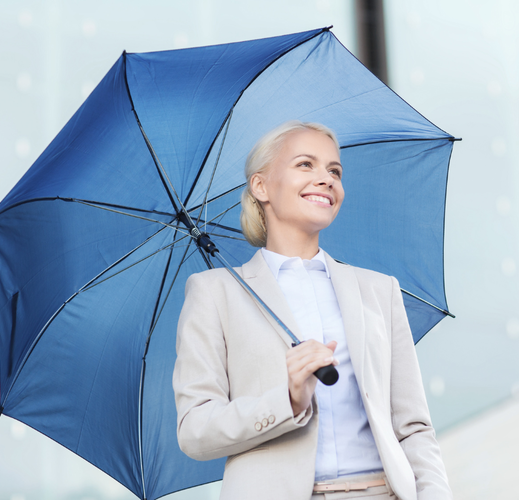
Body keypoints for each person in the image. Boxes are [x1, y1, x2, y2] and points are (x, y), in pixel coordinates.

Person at [173, 121, 452, 500]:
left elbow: (413, 427)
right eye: (305, 164)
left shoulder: (378, 290)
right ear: (261, 186)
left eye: (334, 171)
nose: (326, 178)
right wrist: (287, 399)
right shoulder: (215, 292)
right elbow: (195, 431)